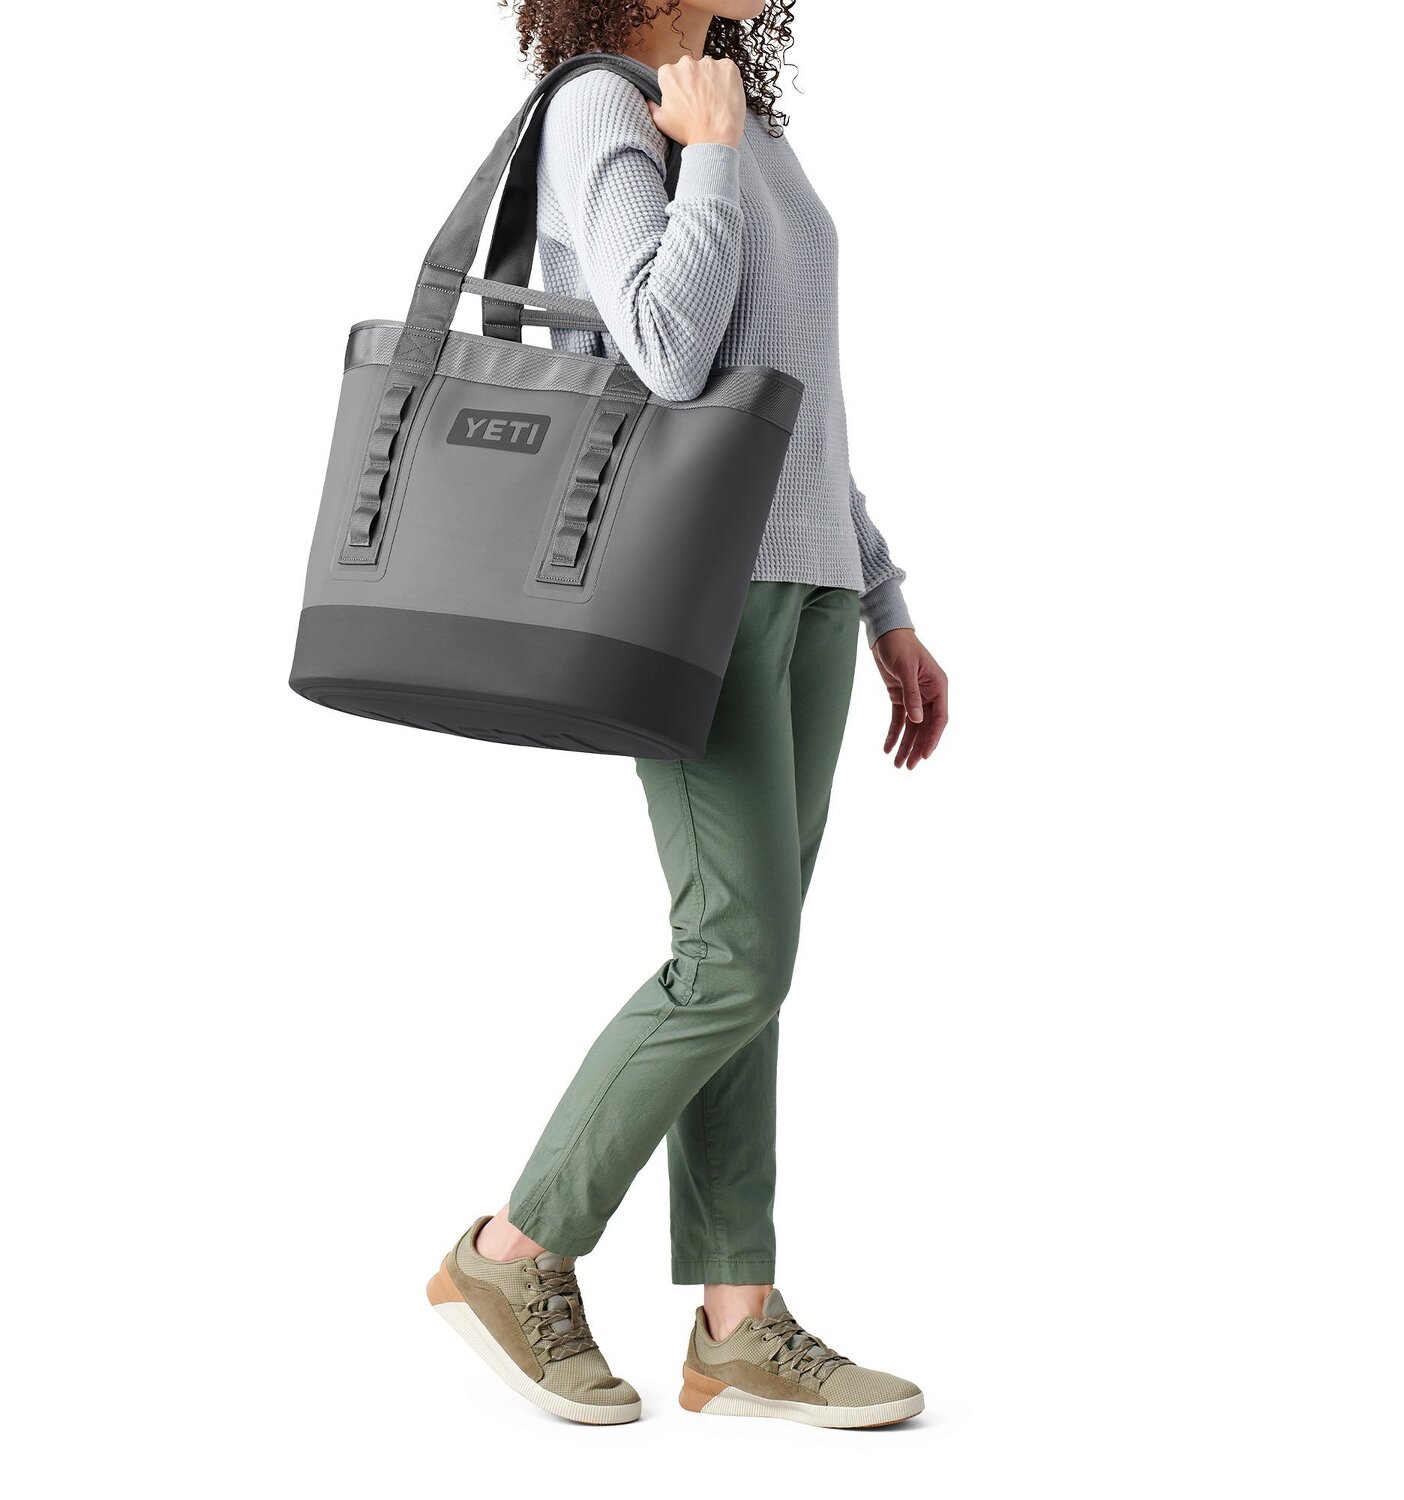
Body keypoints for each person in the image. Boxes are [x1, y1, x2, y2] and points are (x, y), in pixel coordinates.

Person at [425, 1, 949, 1428]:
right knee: (735, 956)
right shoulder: (606, 106)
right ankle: (512, 1250)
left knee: (752, 973)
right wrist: (704, 153)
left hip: (808, 587)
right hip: (695, 595)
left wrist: (882, 594)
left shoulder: (743, 120)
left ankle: (738, 1321)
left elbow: (797, 394)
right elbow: (663, 350)